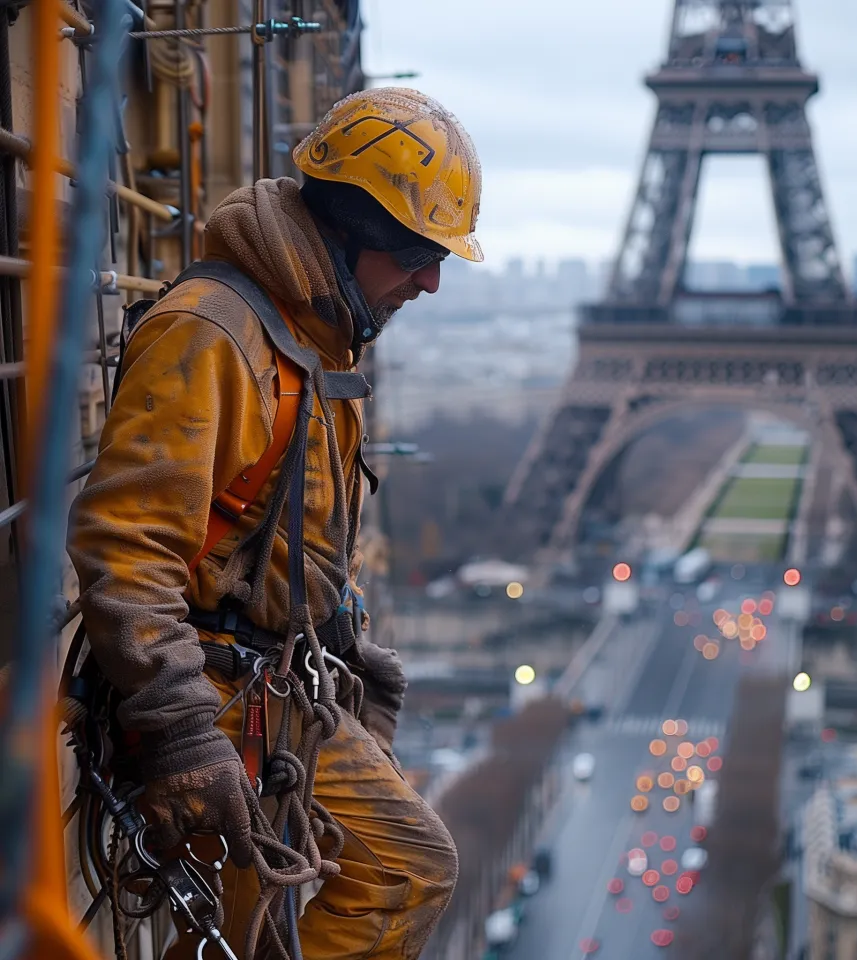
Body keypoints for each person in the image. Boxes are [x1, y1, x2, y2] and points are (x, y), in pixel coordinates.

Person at [67, 87, 482, 959]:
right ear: (350, 227)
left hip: (259, 689)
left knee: (256, 929)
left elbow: (283, 534)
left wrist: (345, 642)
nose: (430, 281)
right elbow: (127, 544)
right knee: (406, 869)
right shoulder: (216, 334)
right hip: (214, 693)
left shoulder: (310, 336)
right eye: (417, 253)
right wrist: (182, 731)